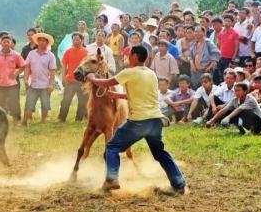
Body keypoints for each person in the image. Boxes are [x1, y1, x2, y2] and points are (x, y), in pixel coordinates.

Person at [86, 45, 187, 193]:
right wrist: (118, 96)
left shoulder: (129, 72)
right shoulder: (151, 74)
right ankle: (179, 184)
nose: (126, 58)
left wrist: (92, 78)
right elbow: (138, 95)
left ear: (134, 56)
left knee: (112, 147)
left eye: (128, 55)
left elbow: (106, 83)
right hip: (155, 120)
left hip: (139, 121)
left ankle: (111, 179)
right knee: (160, 153)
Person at [0, 34, 25, 124]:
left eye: (8, 42)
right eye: (4, 42)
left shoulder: (16, 55)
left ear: (11, 43)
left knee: (14, 103)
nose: (6, 43)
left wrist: (16, 72)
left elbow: (23, 66)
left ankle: (16, 120)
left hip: (12, 84)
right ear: (1, 43)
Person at [24, 32, 56, 125]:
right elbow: (27, 67)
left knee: (45, 103)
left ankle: (43, 120)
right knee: (29, 102)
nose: (42, 42)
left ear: (47, 43)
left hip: (45, 84)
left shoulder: (50, 55)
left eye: (44, 41)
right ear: (37, 42)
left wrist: (51, 84)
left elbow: (52, 71)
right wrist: (26, 79)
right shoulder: (31, 53)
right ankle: (28, 119)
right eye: (40, 41)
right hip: (33, 83)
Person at [59, 32, 89, 122]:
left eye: (77, 39)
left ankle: (78, 119)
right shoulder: (68, 51)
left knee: (82, 102)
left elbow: (88, 68)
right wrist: (63, 78)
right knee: (66, 101)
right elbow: (64, 66)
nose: (75, 41)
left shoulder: (86, 53)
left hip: (82, 82)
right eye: (74, 39)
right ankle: (61, 118)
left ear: (82, 40)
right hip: (70, 81)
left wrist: (86, 80)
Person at [216, 14, 240, 84]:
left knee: (229, 75)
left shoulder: (235, 33)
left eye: (229, 21)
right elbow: (219, 45)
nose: (226, 22)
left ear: (232, 23)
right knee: (221, 75)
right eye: (225, 21)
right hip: (221, 57)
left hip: (230, 58)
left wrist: (233, 59)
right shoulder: (220, 33)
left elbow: (236, 46)